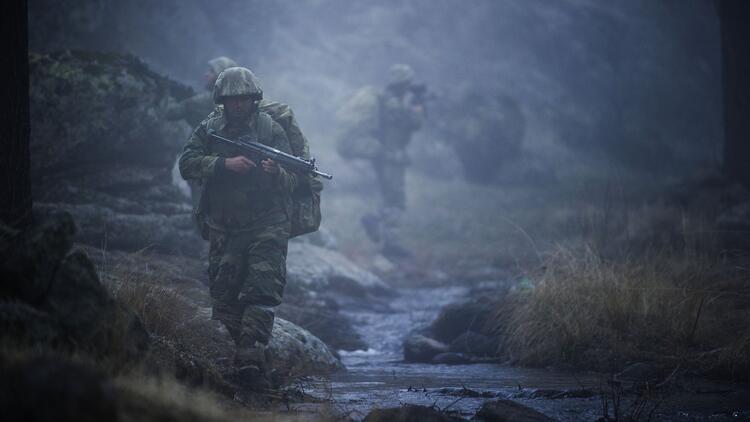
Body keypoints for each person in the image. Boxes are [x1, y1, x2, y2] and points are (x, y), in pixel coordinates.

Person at [178, 67, 297, 389]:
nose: (239, 105)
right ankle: (244, 359)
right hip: (224, 226)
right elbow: (187, 164)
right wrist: (222, 164)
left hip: (267, 224)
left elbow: (294, 180)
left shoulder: (270, 130)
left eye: (245, 98)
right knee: (226, 298)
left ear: (254, 99)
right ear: (222, 100)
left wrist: (275, 173)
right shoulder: (210, 128)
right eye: (233, 99)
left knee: (261, 290)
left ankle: (250, 359)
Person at [336, 64, 425, 259]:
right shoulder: (393, 103)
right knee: (396, 201)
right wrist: (418, 105)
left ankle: (390, 243)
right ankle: (376, 222)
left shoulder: (385, 99)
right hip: (390, 156)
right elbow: (414, 123)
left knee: (390, 198)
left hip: (383, 155)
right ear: (404, 84)